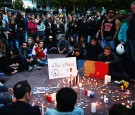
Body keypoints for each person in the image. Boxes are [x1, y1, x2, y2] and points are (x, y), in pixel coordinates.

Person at [127, 1, 135, 79]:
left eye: (134, 8)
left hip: (133, 39)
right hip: (129, 38)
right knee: (129, 57)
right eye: (132, 8)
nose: (132, 9)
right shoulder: (132, 16)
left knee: (133, 57)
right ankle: (131, 75)